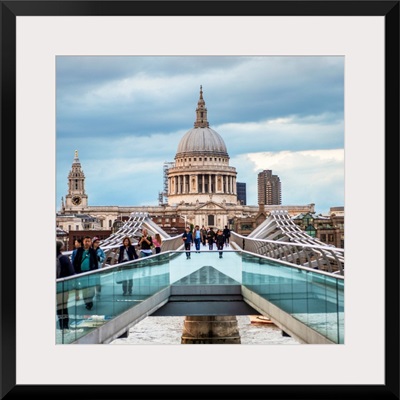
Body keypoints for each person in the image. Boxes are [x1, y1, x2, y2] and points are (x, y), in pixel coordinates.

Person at [73, 236, 98, 310]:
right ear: (83, 242)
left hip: (91, 272)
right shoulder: (79, 250)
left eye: (88, 241)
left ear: (91, 242)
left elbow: (96, 262)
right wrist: (75, 271)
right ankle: (87, 303)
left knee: (91, 289)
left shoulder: (93, 251)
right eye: (85, 241)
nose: (87, 243)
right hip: (82, 272)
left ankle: (89, 300)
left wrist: (96, 271)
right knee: (84, 288)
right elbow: (76, 261)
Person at [56, 240, 76, 331]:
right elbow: (71, 273)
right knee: (63, 306)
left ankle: (60, 325)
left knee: (58, 307)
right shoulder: (64, 258)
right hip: (63, 287)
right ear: (62, 248)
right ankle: (65, 326)